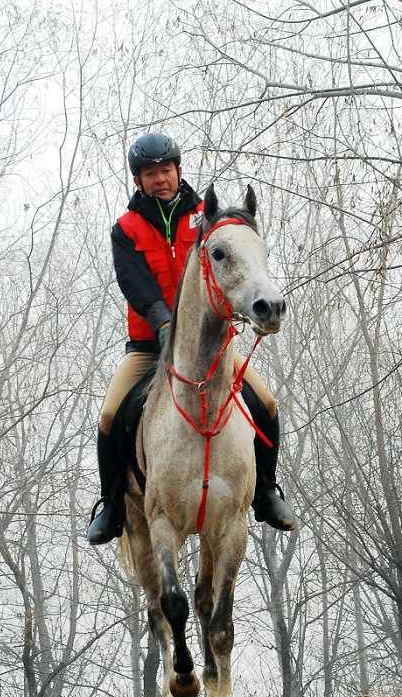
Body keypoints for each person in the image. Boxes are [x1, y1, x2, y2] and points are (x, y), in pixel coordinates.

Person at [88, 132, 296, 544]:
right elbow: (135, 282)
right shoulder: (126, 229)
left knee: (268, 403)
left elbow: (234, 261)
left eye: (166, 170)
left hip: (209, 346)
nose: (160, 179)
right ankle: (111, 506)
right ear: (138, 181)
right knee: (110, 416)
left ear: (178, 171)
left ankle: (266, 492)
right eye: (150, 174)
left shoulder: (208, 218)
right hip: (150, 347)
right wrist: (162, 320)